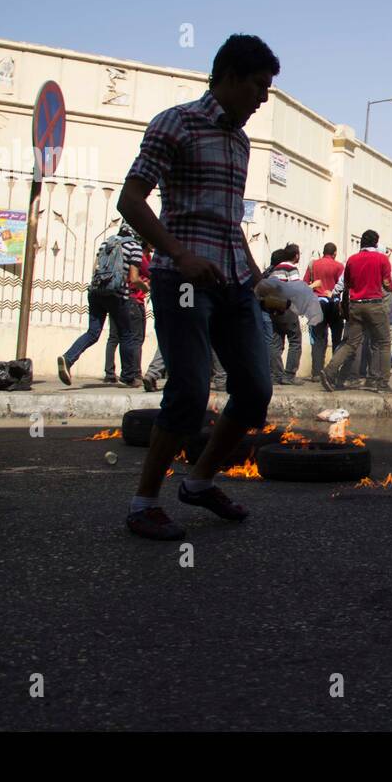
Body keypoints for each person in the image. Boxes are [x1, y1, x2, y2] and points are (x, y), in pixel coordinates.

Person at [116, 33, 280, 541]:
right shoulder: (176, 123)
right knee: (187, 391)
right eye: (258, 85)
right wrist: (178, 253)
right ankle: (144, 503)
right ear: (229, 77)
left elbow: (230, 221)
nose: (263, 97)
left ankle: (199, 480)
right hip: (182, 282)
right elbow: (131, 200)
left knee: (255, 390)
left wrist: (257, 278)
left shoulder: (241, 141)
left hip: (232, 282)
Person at [56, 223, 144, 386]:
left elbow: (95, 268)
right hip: (117, 295)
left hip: (96, 292)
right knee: (127, 334)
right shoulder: (135, 247)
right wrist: (146, 287)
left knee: (93, 332)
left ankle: (68, 359)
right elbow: (134, 278)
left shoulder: (106, 243)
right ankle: (129, 376)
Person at [321, 229, 392, 394]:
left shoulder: (352, 260)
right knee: (384, 342)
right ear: (376, 242)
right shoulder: (382, 259)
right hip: (374, 305)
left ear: (361, 243)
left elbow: (347, 283)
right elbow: (387, 285)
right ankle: (382, 382)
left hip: (355, 305)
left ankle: (329, 372)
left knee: (351, 343)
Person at [106, 241, 152, 384]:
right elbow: (150, 272)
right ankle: (134, 373)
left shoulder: (114, 249)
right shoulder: (139, 255)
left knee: (115, 337)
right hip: (133, 300)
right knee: (135, 338)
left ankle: (110, 373)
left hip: (117, 296)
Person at [263, 243, 304, 385]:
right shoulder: (291, 268)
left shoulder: (275, 269)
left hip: (273, 308)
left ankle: (275, 375)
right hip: (287, 308)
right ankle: (289, 375)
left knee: (276, 341)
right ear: (296, 255)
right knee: (295, 340)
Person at [303, 243, 345, 382]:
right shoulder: (339, 266)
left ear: (323, 252)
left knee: (318, 338)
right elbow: (343, 286)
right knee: (337, 338)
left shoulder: (313, 264)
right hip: (333, 304)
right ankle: (333, 372)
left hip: (316, 305)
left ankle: (316, 373)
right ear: (334, 253)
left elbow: (305, 283)